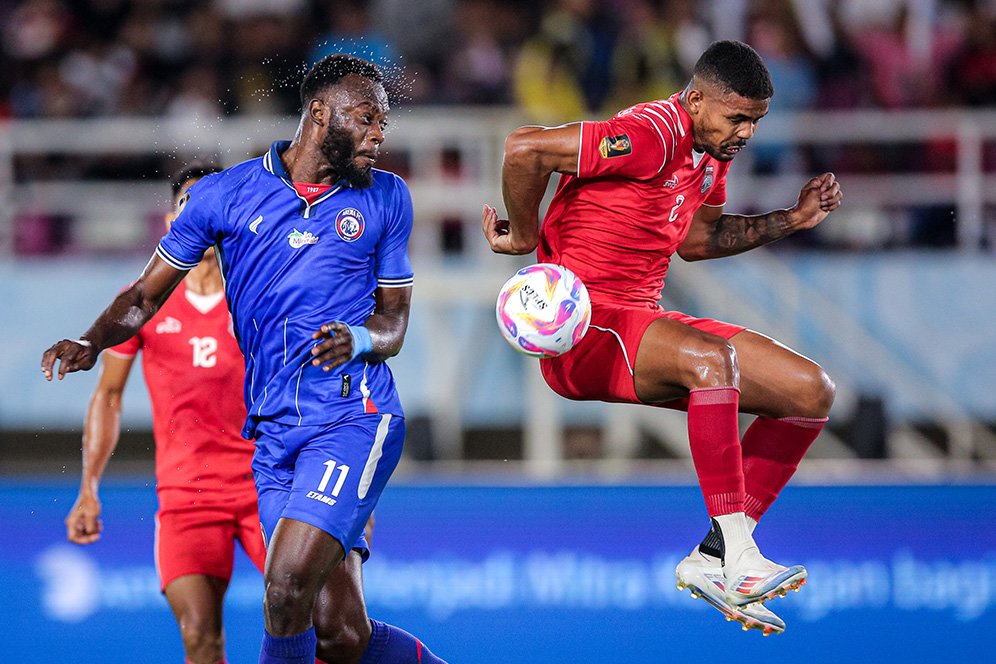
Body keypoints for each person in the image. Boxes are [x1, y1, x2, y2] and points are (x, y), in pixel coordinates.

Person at [44, 54, 445, 664]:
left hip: (352, 418)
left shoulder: (387, 197)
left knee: (282, 591)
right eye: (366, 119)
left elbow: (394, 323)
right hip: (273, 437)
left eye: (383, 124)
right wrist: (91, 340)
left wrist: (359, 339)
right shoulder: (223, 196)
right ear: (320, 114)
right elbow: (144, 294)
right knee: (338, 632)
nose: (378, 135)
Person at [483, 39, 842, 636]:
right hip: (586, 331)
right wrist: (523, 236)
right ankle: (736, 555)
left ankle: (712, 557)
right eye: (738, 118)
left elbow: (698, 241)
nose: (747, 133)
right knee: (711, 360)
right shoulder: (651, 133)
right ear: (696, 100)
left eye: (755, 121)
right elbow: (525, 148)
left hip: (639, 319)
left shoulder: (713, 152)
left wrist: (791, 220)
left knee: (811, 391)